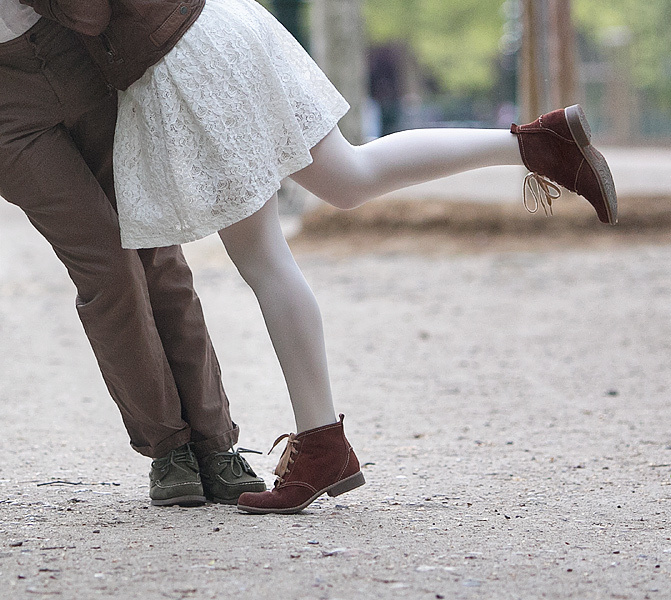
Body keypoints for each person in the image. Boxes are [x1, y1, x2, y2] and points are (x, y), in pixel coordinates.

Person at [24, 0, 617, 514]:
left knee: (264, 262)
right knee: (349, 177)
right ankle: (536, 143)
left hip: (185, 66)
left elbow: (88, 11)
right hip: (224, 27)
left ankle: (321, 442)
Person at [0, 3, 265, 506]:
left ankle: (215, 444)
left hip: (81, 54)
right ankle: (168, 446)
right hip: (7, 110)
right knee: (107, 266)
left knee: (156, 252)